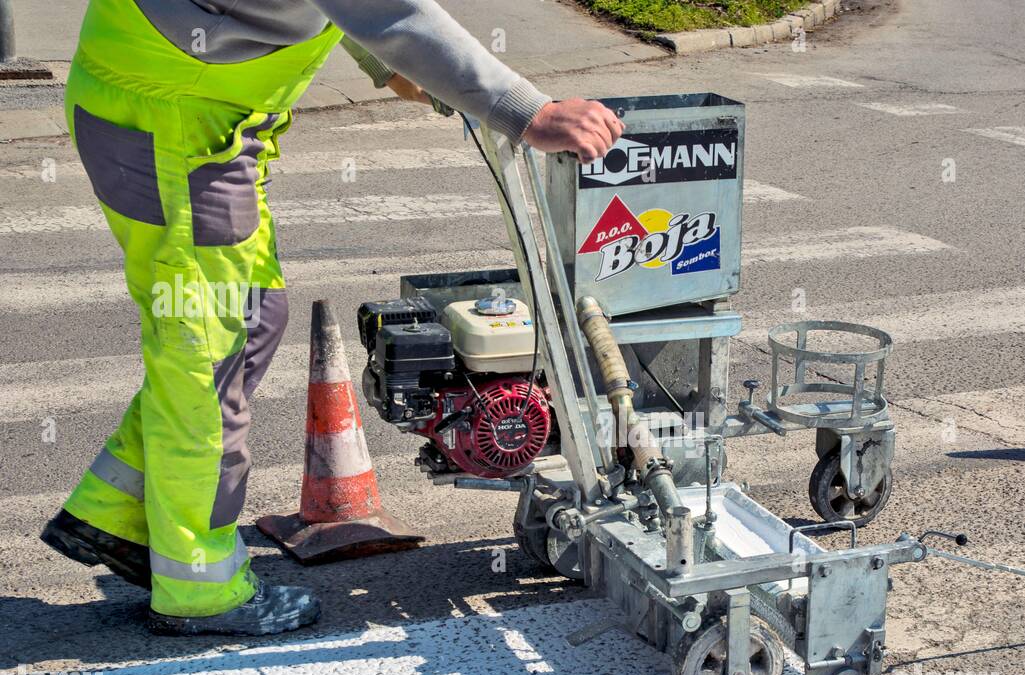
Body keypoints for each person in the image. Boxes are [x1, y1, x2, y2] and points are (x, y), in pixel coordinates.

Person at [39, 0, 624, 636]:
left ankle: (116, 512)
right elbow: (389, 12)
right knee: (208, 358)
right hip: (174, 125)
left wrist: (389, 67)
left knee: (253, 320)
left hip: (192, 119)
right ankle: (199, 588)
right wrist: (525, 109)